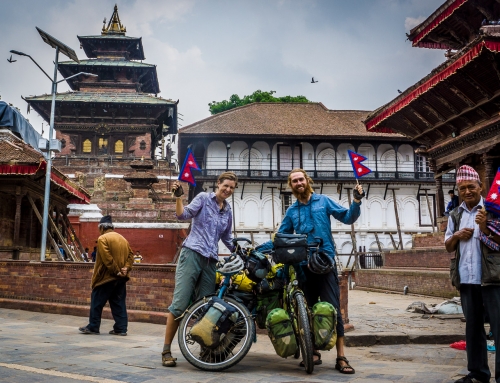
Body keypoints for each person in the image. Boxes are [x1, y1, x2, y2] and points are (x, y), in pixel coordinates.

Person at [278, 169, 364, 374]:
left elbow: (348, 217)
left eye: (300, 179)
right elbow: (281, 236)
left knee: (334, 309)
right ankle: (313, 352)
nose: (298, 183)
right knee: (305, 310)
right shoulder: (291, 211)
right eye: (294, 181)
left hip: (325, 263)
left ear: (307, 181)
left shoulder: (323, 201)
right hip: (302, 267)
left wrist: (357, 201)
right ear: (291, 186)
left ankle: (341, 357)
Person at [161, 172, 237, 367]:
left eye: (231, 187)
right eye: (225, 185)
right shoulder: (204, 198)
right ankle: (166, 350)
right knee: (179, 304)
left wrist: (241, 252)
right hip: (192, 254)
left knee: (206, 309)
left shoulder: (227, 211)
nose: (227, 190)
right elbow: (182, 215)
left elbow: (227, 238)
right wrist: (178, 197)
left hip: (210, 261)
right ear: (217, 184)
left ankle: (204, 350)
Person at [445, 165, 500, 383]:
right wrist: (457, 235)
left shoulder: (494, 210)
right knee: (473, 329)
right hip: (467, 280)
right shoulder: (455, 215)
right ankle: (478, 374)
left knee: (498, 328)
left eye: (471, 187)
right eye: (462, 188)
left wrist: (486, 228)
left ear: (481, 186)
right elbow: (449, 246)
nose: (467, 191)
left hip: (493, 279)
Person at [78, 215, 134, 336]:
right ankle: (121, 328)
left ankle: (93, 326)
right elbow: (131, 255)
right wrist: (126, 268)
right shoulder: (123, 239)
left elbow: (107, 258)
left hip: (106, 277)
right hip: (121, 278)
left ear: (102, 228)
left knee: (97, 302)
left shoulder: (103, 238)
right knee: (118, 303)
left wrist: (116, 271)